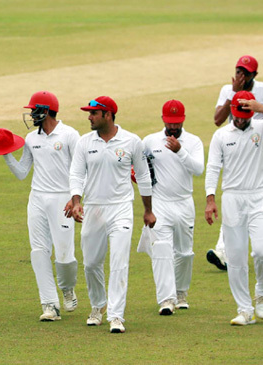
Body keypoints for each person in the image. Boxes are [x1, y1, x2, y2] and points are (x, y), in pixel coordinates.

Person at [65, 96, 155, 334]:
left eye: (93, 113)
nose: (89, 117)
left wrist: (148, 210)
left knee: (118, 262)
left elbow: (144, 177)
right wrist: (76, 202)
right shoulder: (84, 142)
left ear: (108, 114)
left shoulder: (132, 141)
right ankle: (98, 306)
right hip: (93, 208)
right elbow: (76, 174)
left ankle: (116, 316)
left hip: (121, 208)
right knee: (91, 263)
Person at [205, 91, 263, 325]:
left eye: (245, 115)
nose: (241, 119)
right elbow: (213, 167)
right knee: (235, 259)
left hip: (259, 196)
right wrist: (210, 199)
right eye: (237, 115)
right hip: (233, 199)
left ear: (251, 111)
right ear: (232, 111)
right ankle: (244, 309)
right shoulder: (221, 135)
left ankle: (262, 293)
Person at [0, 91, 80, 321]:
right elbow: (22, 173)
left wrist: (74, 199)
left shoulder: (70, 135)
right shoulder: (31, 139)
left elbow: (80, 170)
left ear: (46, 111)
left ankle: (67, 288)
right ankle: (50, 305)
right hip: (37, 198)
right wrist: (5, 153)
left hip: (62, 199)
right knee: (38, 251)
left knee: (64, 255)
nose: (31, 114)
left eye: (34, 110)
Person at [207, 55, 263, 270]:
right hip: (235, 149)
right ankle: (223, 251)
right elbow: (218, 120)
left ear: (254, 75)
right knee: (232, 197)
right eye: (238, 71)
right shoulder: (226, 90)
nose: (240, 76)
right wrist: (232, 93)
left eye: (245, 73)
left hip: (259, 149)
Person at [142, 100, 204, 315]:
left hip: (184, 203)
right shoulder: (150, 141)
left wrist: (180, 152)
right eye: (170, 122)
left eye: (177, 123)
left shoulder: (193, 142)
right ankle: (166, 300)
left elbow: (198, 169)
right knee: (162, 250)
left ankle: (180, 293)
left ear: (183, 119)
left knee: (185, 253)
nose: (174, 127)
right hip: (160, 203)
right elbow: (138, 165)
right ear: (163, 119)